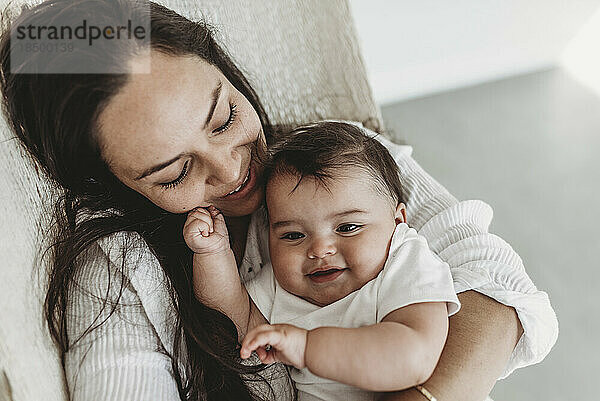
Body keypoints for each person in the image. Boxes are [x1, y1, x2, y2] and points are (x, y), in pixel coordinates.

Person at [0, 1, 557, 400]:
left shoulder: (339, 159)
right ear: (114, 188)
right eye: (174, 174)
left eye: (225, 118)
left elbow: (496, 280)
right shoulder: (120, 272)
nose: (233, 170)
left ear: (222, 65)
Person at [185, 121, 462, 401]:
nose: (319, 250)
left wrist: (307, 348)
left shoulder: (403, 262)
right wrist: (212, 253)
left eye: (347, 228)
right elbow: (231, 314)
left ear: (397, 222)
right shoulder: (281, 286)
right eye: (293, 235)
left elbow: (413, 358)